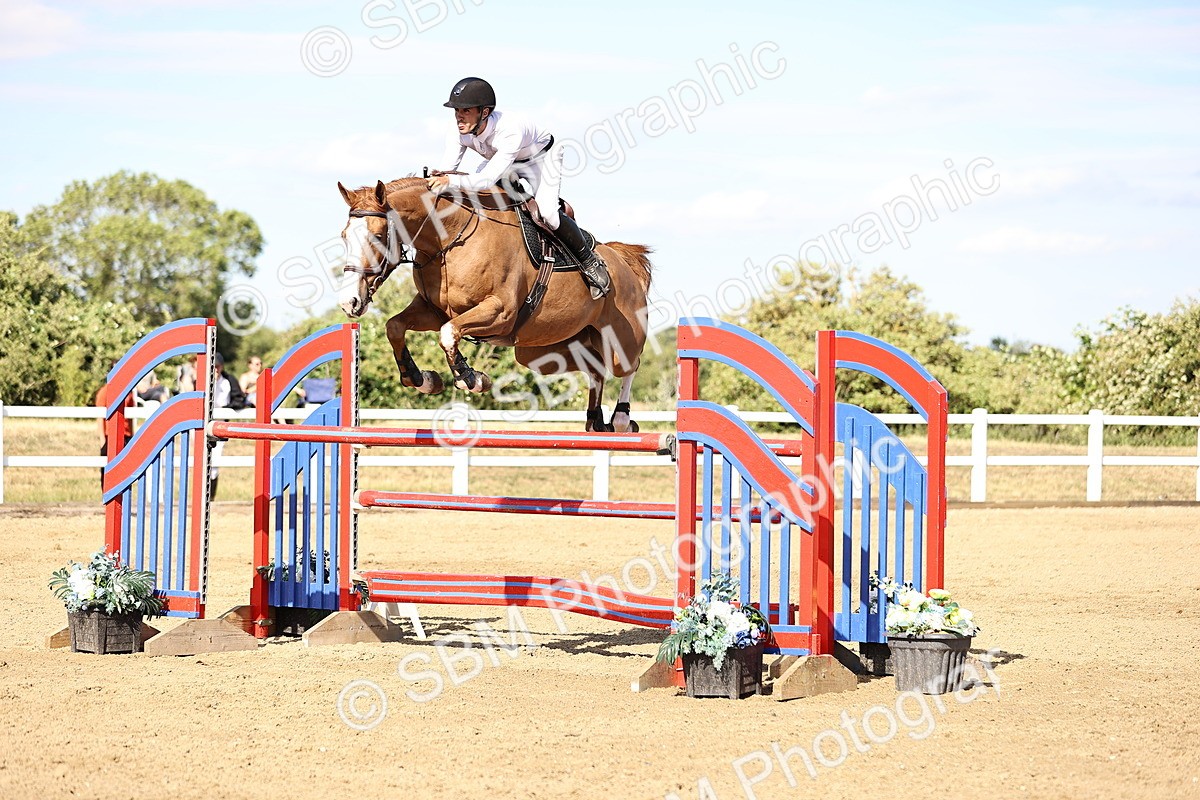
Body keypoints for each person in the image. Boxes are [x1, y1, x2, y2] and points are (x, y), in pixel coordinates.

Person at [426, 76, 611, 300]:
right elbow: (448, 170)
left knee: (548, 214)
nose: (459, 116)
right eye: (456, 111)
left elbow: (483, 180)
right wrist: (435, 181)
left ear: (484, 112)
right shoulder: (459, 131)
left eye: (465, 110)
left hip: (541, 160)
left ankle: (590, 262)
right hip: (504, 162)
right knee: (478, 195)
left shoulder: (509, 130)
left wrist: (450, 181)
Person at [95, 378, 134, 491]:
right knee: (107, 469)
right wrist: (102, 439)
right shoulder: (105, 391)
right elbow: (100, 416)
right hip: (110, 436)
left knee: (125, 469)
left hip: (125, 435)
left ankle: (125, 494)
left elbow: (131, 416)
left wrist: (131, 435)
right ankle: (106, 494)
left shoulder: (128, 392)